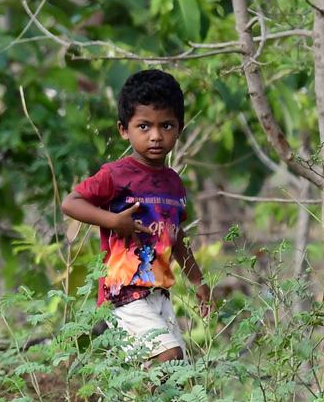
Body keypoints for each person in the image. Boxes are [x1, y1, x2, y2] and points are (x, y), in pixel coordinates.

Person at [61, 69, 211, 365]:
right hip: (123, 293)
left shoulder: (173, 183)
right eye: (144, 126)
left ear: (179, 128)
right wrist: (114, 221)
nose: (156, 136)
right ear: (123, 129)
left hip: (159, 293)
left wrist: (198, 281)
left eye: (166, 125)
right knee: (169, 357)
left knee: (178, 373)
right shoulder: (116, 175)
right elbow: (71, 203)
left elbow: (177, 237)